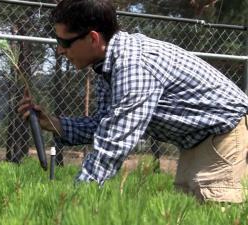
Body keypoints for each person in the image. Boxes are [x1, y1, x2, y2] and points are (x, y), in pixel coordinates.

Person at [17, 0, 248, 203]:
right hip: (197, 140)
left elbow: (113, 144)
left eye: (64, 42)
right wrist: (54, 123)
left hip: (224, 132)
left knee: (213, 205)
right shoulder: (107, 66)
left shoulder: (133, 65)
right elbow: (104, 125)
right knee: (187, 211)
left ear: (93, 38)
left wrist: (70, 203)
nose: (59, 50)